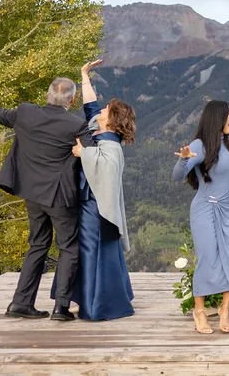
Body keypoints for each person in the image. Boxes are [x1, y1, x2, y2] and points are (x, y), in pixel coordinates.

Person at [0, 77, 88, 321]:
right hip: (59, 196)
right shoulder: (76, 124)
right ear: (72, 99)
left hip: (31, 195)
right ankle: (61, 307)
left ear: (47, 95)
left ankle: (21, 302)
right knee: (69, 246)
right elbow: (93, 152)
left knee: (37, 245)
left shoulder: (25, 114)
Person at [50, 60, 135, 320]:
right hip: (87, 204)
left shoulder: (111, 145)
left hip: (95, 209)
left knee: (89, 250)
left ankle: (95, 305)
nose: (103, 109)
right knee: (88, 251)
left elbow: (106, 172)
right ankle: (93, 298)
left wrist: (82, 153)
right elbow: (90, 107)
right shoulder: (98, 132)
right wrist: (84, 76)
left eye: (108, 109)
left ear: (113, 120)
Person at [172, 100, 229, 334]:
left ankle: (225, 309)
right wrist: (184, 158)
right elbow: (177, 176)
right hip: (205, 209)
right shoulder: (200, 145)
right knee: (208, 257)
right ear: (217, 118)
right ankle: (200, 311)